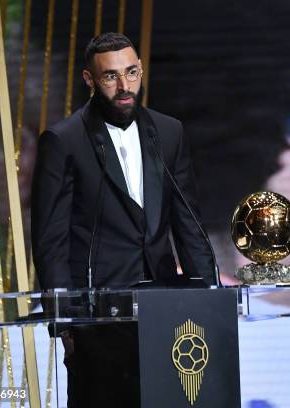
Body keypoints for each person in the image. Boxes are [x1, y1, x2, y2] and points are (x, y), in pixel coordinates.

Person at [31, 32, 215, 407]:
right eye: (110, 76)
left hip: (166, 312)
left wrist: (210, 303)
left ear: (142, 70)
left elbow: (188, 224)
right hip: (98, 317)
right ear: (89, 80)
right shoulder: (63, 141)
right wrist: (66, 325)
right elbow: (51, 240)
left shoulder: (168, 132)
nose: (124, 86)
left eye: (131, 73)